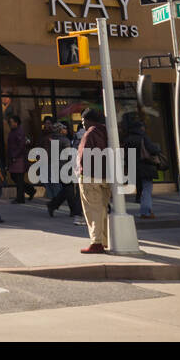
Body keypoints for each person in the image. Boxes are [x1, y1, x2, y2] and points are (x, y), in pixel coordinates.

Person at [76, 108, 111, 253]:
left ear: (89, 120)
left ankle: (96, 243)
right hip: (107, 176)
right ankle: (103, 240)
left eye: (83, 120)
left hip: (90, 177)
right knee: (102, 209)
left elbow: (84, 156)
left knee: (92, 209)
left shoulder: (89, 133)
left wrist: (81, 172)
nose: (82, 124)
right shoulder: (108, 132)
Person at [123, 115, 162, 219]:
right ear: (141, 128)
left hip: (134, 168)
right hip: (146, 166)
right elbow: (153, 150)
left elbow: (126, 155)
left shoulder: (127, 139)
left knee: (140, 188)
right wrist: (157, 147)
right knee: (147, 188)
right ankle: (146, 211)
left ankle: (143, 208)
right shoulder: (143, 137)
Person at [46, 121, 83, 224]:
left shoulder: (52, 139)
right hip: (65, 167)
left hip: (56, 167)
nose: (66, 130)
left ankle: (71, 210)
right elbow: (69, 155)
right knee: (68, 189)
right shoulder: (65, 140)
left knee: (68, 189)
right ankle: (54, 205)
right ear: (60, 130)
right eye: (64, 128)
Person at [5, 113, 36, 204]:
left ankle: (20, 198)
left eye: (11, 122)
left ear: (16, 123)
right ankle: (30, 190)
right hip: (14, 158)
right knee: (15, 178)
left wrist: (15, 156)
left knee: (18, 179)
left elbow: (21, 146)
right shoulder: (13, 131)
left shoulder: (19, 132)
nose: (10, 124)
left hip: (18, 159)